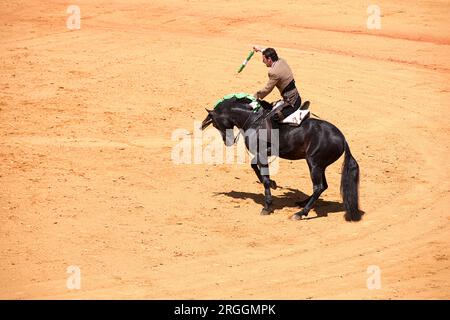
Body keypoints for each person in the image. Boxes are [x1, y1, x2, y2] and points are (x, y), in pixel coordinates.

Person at [253, 46, 306, 122]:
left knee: (270, 119)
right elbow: (272, 53)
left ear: (269, 59)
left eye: (264, 59)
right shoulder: (281, 61)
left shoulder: (273, 72)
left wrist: (255, 97)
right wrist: (260, 49)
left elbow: (267, 89)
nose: (263, 61)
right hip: (296, 98)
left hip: (291, 103)